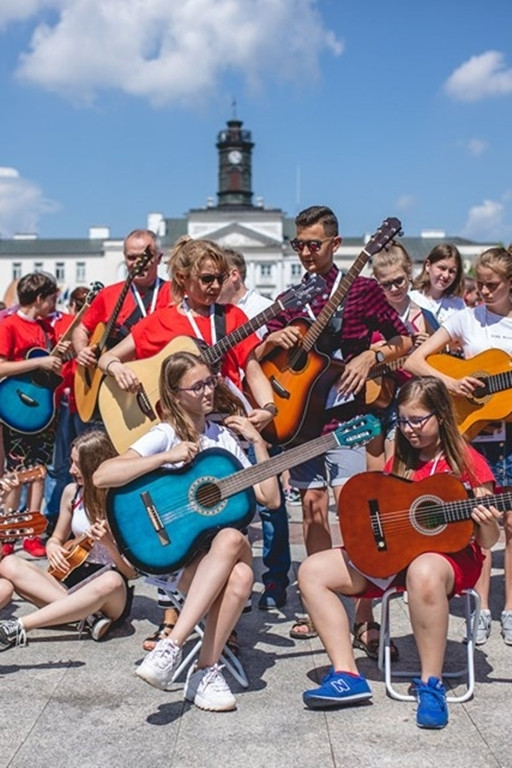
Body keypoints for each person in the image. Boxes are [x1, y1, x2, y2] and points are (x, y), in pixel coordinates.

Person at [97, 236, 277, 644]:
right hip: (173, 424)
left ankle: (222, 612)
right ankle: (172, 613)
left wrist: (267, 407)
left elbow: (250, 368)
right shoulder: (160, 320)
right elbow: (112, 354)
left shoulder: (230, 317)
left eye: (220, 278)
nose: (215, 286)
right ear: (183, 278)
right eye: (207, 278)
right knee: (176, 507)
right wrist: (114, 369)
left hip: (224, 423)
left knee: (230, 509)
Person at [298, 376, 500, 729]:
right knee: (312, 570)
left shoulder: (468, 462)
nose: (408, 429)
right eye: (403, 420)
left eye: (417, 420)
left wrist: (485, 520)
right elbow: (384, 506)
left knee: (424, 568)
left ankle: (431, 684)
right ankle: (347, 675)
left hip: (453, 560)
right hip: (396, 555)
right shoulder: (401, 458)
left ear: (441, 416)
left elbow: (486, 540)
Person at [256, 205, 411, 650]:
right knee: (312, 508)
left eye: (313, 244)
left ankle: (365, 614)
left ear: (335, 245)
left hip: (349, 419)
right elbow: (264, 355)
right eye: (298, 244)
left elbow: (403, 339)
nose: (305, 252)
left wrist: (371, 356)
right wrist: (273, 340)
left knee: (356, 510)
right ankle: (320, 605)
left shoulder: (361, 290)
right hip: (303, 421)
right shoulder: (294, 296)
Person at [93, 351, 280, 711]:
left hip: (220, 550)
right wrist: (164, 457)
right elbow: (103, 475)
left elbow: (269, 498)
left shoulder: (225, 439)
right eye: (197, 386)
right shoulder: (165, 434)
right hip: (177, 557)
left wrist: (257, 443)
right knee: (241, 577)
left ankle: (172, 645)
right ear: (176, 394)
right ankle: (205, 670)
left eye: (210, 381)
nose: (208, 391)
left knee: (230, 537)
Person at [404, 244, 512, 646]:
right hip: (470, 435)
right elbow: (415, 361)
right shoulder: (467, 319)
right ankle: (481, 607)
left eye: (492, 286)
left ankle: (509, 610)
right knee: (476, 520)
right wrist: (451, 383)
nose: (483, 292)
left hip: (509, 435)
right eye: (479, 284)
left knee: (511, 523)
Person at [0, 430, 137, 650]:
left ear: (95, 464)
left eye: (77, 464)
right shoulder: (72, 492)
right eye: (71, 462)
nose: (71, 470)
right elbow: (56, 538)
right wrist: (53, 548)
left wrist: (109, 545)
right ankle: (88, 618)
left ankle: (20, 625)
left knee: (111, 580)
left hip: (109, 591)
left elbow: (132, 573)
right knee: (9, 564)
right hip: (68, 581)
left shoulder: (123, 501)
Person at [219, 247, 291, 609]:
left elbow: (271, 363)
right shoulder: (212, 315)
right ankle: (233, 579)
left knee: (270, 502)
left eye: (217, 277)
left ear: (233, 274)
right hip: (224, 416)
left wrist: (264, 347)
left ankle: (276, 579)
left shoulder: (262, 306)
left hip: (258, 412)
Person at [0, 272, 71, 558]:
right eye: (52, 297)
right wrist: (43, 360)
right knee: (17, 472)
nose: (55, 302)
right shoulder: (8, 325)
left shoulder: (46, 328)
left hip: (44, 408)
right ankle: (8, 532)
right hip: (15, 408)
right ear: (40, 299)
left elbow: (50, 365)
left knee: (39, 471)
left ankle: (32, 533)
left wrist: (58, 356)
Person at [367, 241, 439, 469]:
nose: (394, 288)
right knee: (374, 465)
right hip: (374, 394)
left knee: (395, 460)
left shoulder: (424, 316)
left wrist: (428, 347)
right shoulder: (369, 315)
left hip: (409, 396)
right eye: (386, 285)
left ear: (409, 274)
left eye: (399, 281)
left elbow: (443, 356)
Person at [72, 228, 172, 382]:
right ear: (125, 259)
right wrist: (81, 350)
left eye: (145, 256)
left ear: (158, 259)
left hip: (160, 379)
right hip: (114, 382)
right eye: (132, 257)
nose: (139, 262)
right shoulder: (108, 294)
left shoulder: (175, 294)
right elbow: (82, 329)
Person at [44, 285, 92, 529]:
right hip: (62, 400)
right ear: (72, 304)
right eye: (79, 301)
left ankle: (80, 516)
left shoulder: (92, 329)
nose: (83, 305)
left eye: (87, 301)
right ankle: (52, 516)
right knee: (58, 464)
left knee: (83, 462)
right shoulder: (62, 325)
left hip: (84, 401)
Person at [409, 243, 466, 323]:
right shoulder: (412, 299)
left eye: (452, 271)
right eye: (442, 268)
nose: (446, 275)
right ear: (428, 266)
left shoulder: (458, 305)